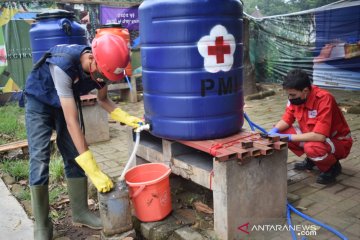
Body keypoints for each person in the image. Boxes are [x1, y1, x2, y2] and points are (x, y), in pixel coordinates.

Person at [24, 34, 142, 239]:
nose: (101, 79)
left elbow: (103, 100)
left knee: (73, 154)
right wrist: (94, 170)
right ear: (92, 59)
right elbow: (72, 121)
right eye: (101, 73)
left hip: (65, 101)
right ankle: (42, 225)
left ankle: (80, 212)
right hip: (39, 102)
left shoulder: (102, 67)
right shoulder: (64, 65)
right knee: (40, 158)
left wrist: (126, 117)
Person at [269, 69, 352, 185]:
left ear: (305, 91)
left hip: (339, 142)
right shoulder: (296, 98)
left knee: (312, 147)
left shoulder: (324, 99)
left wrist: (286, 137)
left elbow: (320, 136)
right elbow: (287, 118)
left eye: (292, 95)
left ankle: (332, 168)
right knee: (283, 130)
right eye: (288, 94)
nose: (290, 98)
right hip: (314, 137)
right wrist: (274, 131)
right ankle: (313, 160)